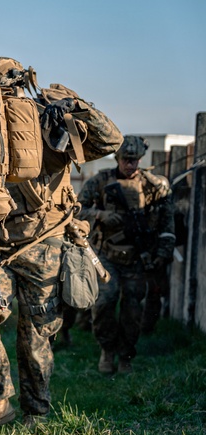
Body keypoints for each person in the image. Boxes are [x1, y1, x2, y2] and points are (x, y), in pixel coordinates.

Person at [0, 60, 122, 434]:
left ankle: (36, 412)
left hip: (44, 244)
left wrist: (72, 107)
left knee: (36, 336)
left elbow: (111, 140)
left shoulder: (46, 121)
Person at [78, 135, 176, 374]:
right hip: (106, 254)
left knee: (133, 308)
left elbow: (167, 224)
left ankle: (125, 356)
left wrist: (161, 254)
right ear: (118, 158)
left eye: (135, 160)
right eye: (126, 159)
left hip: (137, 258)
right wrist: (100, 215)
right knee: (104, 302)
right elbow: (76, 209)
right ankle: (107, 350)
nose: (130, 164)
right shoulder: (100, 181)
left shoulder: (153, 186)